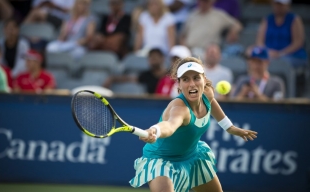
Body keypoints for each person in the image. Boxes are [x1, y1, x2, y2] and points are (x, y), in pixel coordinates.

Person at [129, 56, 258, 192]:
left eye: (196, 77)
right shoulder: (180, 108)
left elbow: (212, 104)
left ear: (204, 79)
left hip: (192, 156)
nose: (192, 84)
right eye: (185, 79)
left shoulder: (207, 94)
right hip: (162, 160)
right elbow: (170, 125)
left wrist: (229, 127)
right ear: (178, 84)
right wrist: (155, 130)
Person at [256, 0, 308, 68]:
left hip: (291, 55)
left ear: (288, 5)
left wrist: (280, 53)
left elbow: (298, 42)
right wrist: (268, 52)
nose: (278, 7)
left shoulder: (295, 20)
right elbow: (259, 41)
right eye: (276, 4)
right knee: (255, 59)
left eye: (281, 4)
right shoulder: (267, 20)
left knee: (279, 62)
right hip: (270, 55)